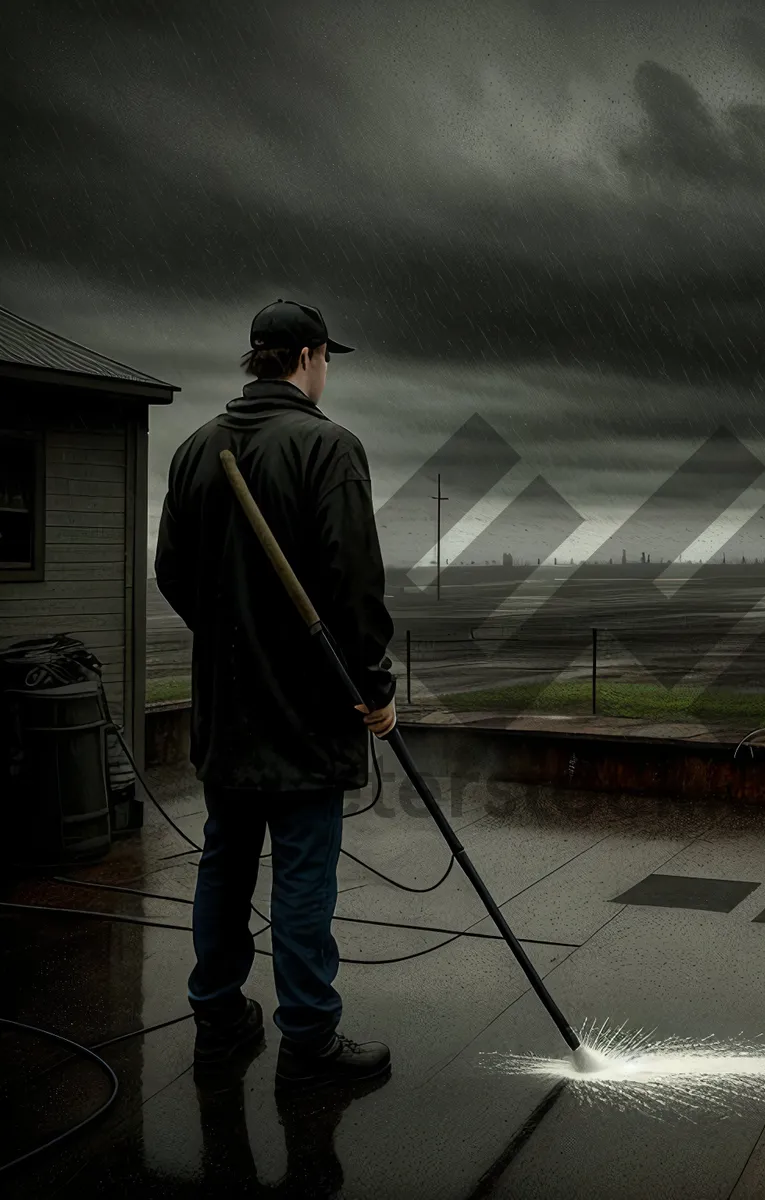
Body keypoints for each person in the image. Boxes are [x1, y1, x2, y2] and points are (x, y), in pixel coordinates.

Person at [154, 299, 397, 1090]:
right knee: (301, 875)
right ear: (309, 356)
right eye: (326, 359)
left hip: (228, 713)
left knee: (223, 865)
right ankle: (309, 1044)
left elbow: (172, 574)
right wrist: (373, 688)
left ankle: (219, 1019)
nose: (326, 371)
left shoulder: (194, 450)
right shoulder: (329, 447)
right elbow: (354, 586)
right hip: (308, 713)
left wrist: (233, 639)